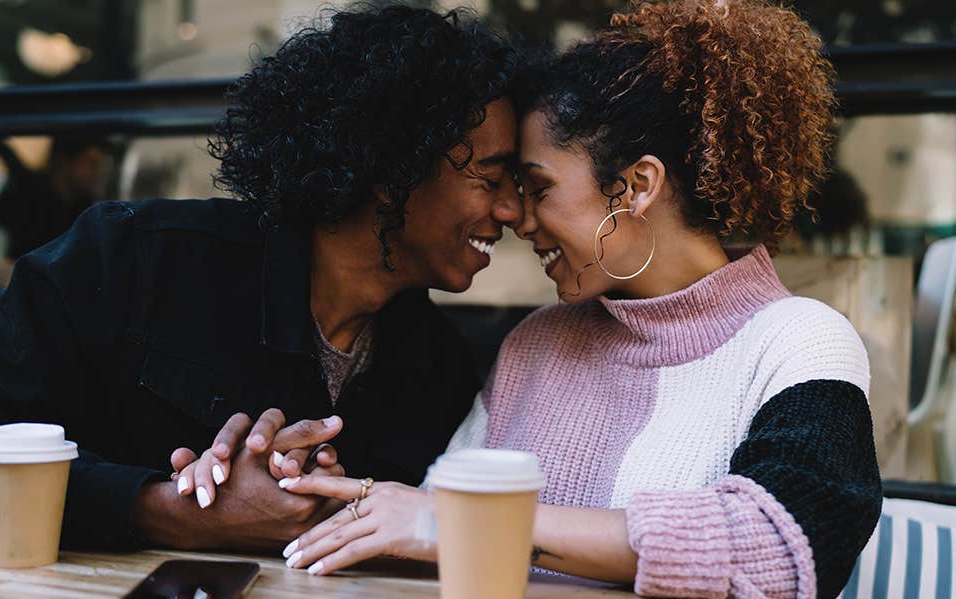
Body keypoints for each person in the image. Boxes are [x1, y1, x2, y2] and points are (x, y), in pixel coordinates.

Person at [202, 1, 880, 596]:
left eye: (538, 186)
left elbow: (783, 550)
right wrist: (306, 493)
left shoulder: (797, 341)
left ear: (635, 185)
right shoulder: (539, 341)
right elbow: (430, 532)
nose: (520, 220)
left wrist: (469, 521)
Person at [0, 5, 521, 552]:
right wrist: (160, 510)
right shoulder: (130, 261)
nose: (512, 212)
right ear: (395, 166)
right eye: (490, 179)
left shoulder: (434, 365)